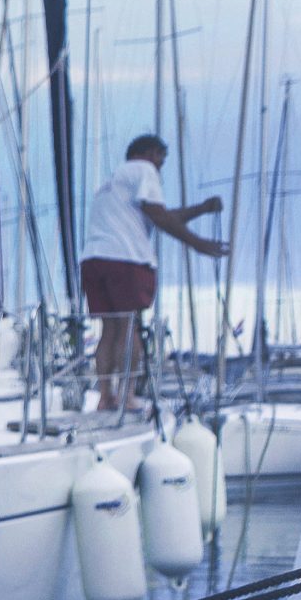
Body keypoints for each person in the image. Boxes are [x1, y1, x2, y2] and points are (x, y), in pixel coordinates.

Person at [82, 133, 224, 413]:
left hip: (94, 259)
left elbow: (161, 215)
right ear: (149, 153)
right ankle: (127, 396)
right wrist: (198, 244)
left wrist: (202, 209)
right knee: (130, 326)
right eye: (161, 158)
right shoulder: (144, 170)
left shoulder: (111, 182)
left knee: (109, 329)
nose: (161, 166)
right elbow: (159, 217)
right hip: (127, 258)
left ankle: (105, 396)